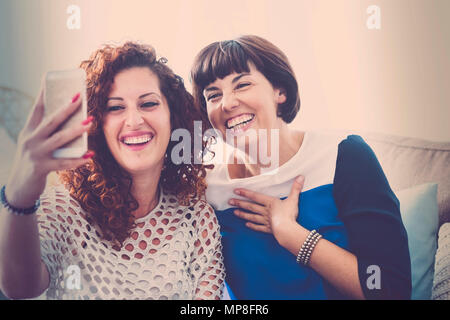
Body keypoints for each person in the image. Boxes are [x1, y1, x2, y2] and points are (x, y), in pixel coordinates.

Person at [190, 35, 412, 299]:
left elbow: (391, 291)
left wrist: (292, 235)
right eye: (213, 96)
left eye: (242, 85)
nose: (227, 103)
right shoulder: (207, 188)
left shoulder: (343, 155)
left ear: (279, 91)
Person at [0, 42, 225, 300]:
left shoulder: (195, 216)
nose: (134, 120)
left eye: (149, 103)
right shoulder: (62, 210)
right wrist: (19, 197)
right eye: (115, 107)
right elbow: (19, 288)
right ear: (95, 124)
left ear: (173, 119)